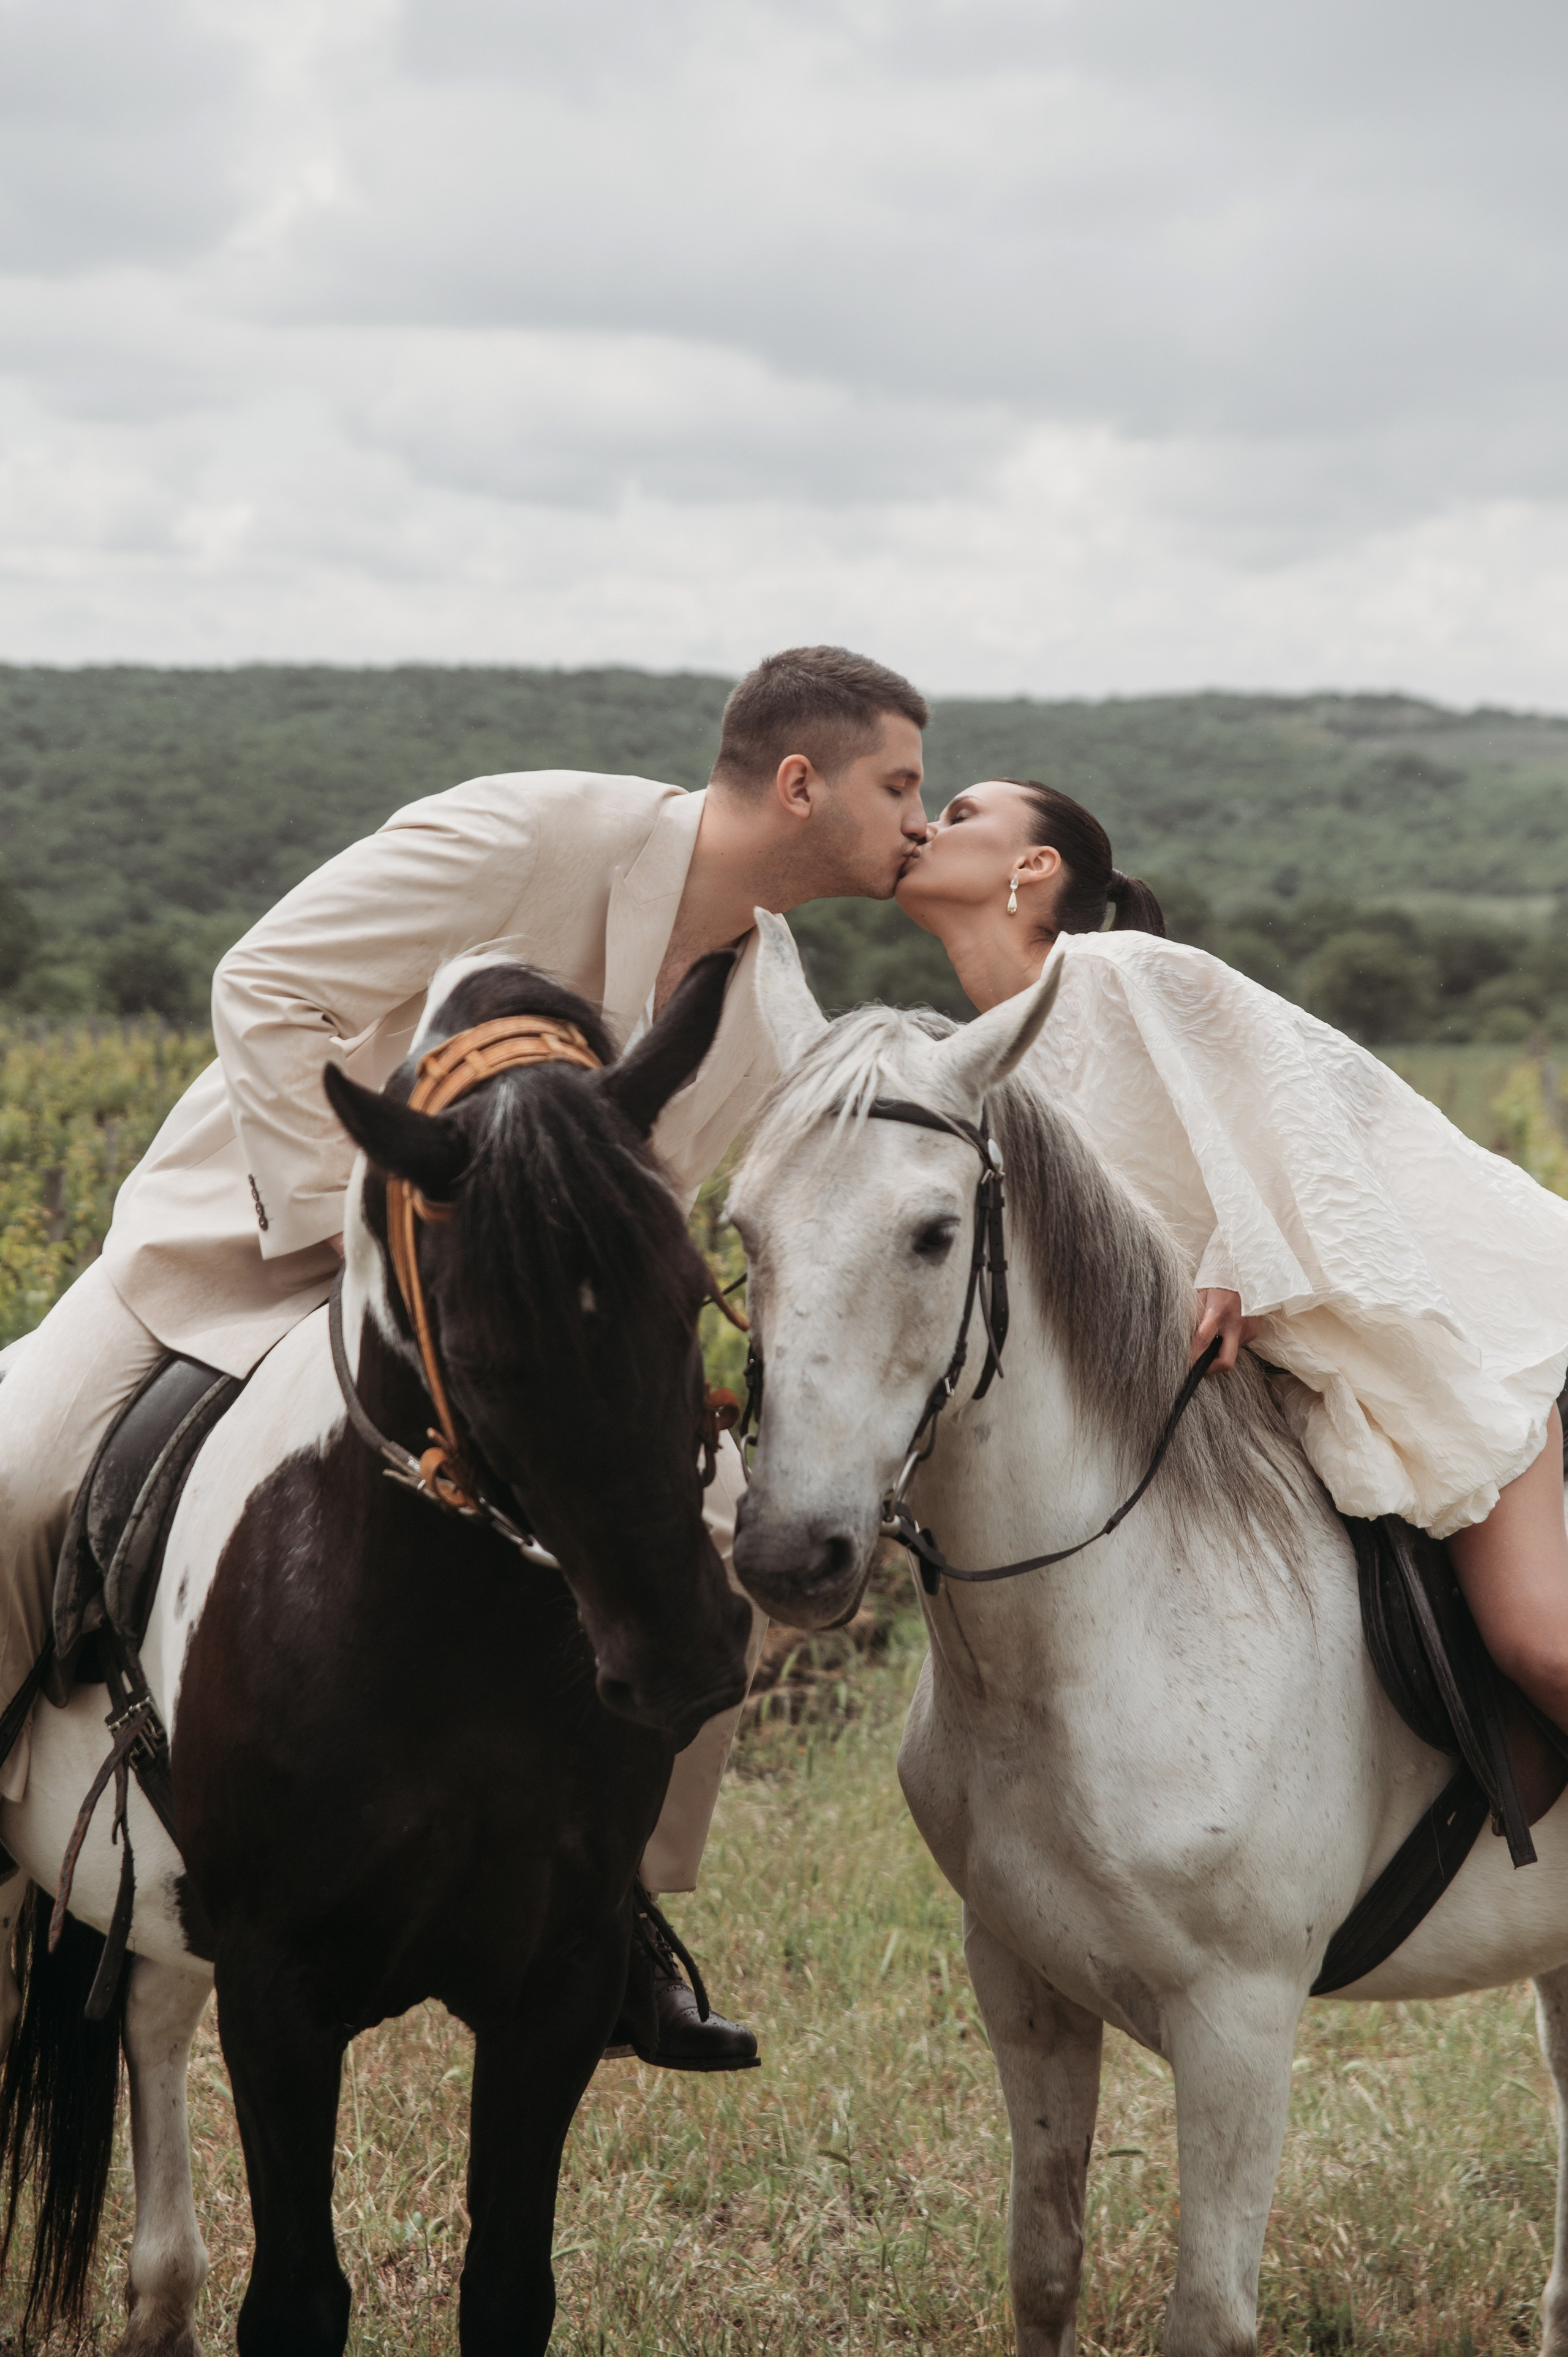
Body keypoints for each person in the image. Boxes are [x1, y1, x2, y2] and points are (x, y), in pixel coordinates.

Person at [0, 644, 932, 2070]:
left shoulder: (762, 1005)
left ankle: (617, 1904)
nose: (918, 820)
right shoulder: (522, 833)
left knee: (711, 1536)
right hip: (250, 1247)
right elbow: (265, 985)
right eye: (900, 786)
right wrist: (356, 1235)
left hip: (507, 1347)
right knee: (14, 1477)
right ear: (799, 784)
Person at [895, 774, 1568, 1737]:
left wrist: (1240, 1254)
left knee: (1539, 1644)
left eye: (961, 815)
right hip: (1246, 1395)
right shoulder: (985, 1067)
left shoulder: (1121, 969)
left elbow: (1321, 1098)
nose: (926, 826)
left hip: (1447, 1326)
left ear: (1032, 866)